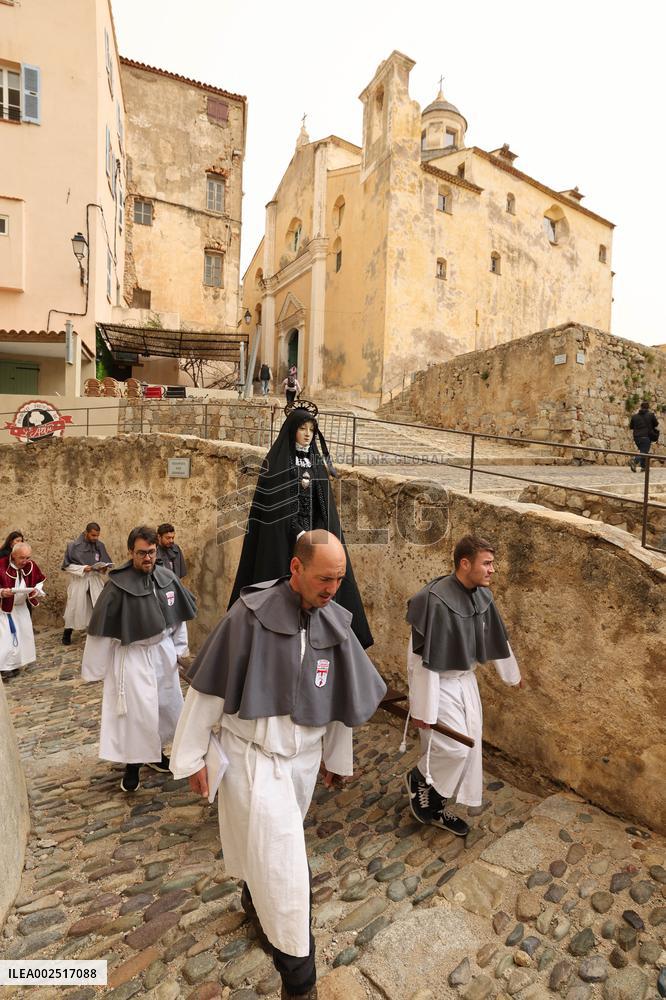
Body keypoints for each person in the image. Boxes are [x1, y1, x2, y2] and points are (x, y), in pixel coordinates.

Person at [170, 530, 386, 1000]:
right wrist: (189, 756)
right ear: (295, 569)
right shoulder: (249, 617)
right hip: (254, 762)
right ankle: (299, 977)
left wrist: (336, 756)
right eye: (324, 578)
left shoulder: (335, 621)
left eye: (340, 579)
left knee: (266, 855)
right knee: (287, 869)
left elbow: (341, 698)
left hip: (303, 764)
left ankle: (252, 898)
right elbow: (208, 689)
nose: (332, 588)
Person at [403, 534, 522, 836]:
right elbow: (421, 661)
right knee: (454, 748)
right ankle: (420, 778)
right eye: (487, 563)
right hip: (437, 684)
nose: (493, 569)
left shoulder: (482, 595)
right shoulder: (434, 600)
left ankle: (435, 803)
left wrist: (512, 676)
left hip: (464, 682)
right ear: (465, 563)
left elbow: (497, 636)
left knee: (470, 747)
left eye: (493, 563)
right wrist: (423, 708)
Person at [228, 401, 373, 648]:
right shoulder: (276, 463)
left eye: (311, 430)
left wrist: (318, 534)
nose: (307, 434)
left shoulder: (315, 463)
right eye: (303, 428)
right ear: (291, 430)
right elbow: (276, 508)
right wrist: (298, 532)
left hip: (313, 543)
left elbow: (323, 506)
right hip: (283, 543)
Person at [81, 525, 197, 792]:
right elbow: (101, 631)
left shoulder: (167, 577)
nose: (148, 558)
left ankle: (156, 755)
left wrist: (179, 650)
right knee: (137, 713)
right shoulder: (116, 587)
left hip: (162, 652)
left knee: (165, 707)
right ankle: (132, 765)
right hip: (132, 656)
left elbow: (178, 619)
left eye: (152, 552)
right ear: (130, 552)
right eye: (142, 553)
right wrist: (96, 669)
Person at [61, 522, 113, 645]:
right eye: (93, 535)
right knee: (74, 607)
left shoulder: (99, 545)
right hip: (80, 580)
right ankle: (67, 634)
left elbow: (104, 562)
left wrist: (103, 568)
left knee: (100, 604)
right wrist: (83, 568)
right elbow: (66, 567)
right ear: (86, 533)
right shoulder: (73, 546)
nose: (95, 538)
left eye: (97, 536)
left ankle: (99, 632)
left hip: (94, 580)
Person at [0, 542, 46, 682]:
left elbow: (39, 581)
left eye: (28, 557)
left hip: (21, 606)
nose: (25, 561)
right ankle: (5, 668)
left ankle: (19, 663)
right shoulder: (1, 566)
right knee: (7, 637)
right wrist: (2, 592)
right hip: (4, 608)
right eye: (22, 558)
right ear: (13, 555)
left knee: (24, 634)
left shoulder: (30, 565)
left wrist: (37, 589)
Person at [629, 400, 659, 472]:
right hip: (646, 437)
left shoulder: (634, 416)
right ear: (648, 408)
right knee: (644, 452)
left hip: (636, 438)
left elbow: (631, 426)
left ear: (641, 407)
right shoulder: (651, 415)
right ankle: (634, 461)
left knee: (643, 451)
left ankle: (644, 467)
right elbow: (656, 424)